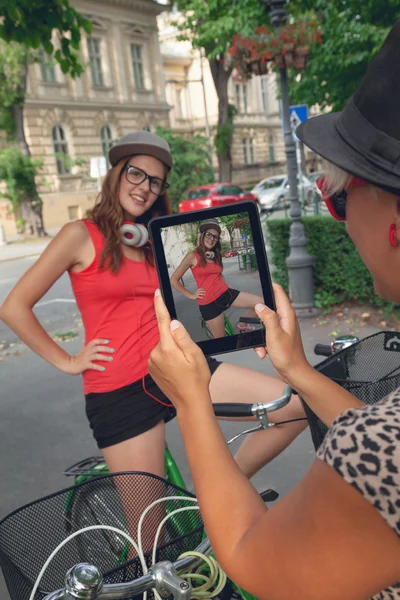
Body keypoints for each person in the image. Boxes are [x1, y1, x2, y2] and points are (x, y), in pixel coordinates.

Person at [148, 21, 400, 599]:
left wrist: (191, 401)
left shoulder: (377, 451)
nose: (337, 210)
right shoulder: (379, 442)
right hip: (206, 304)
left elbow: (250, 559)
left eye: (337, 199)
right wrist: (296, 372)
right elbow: (375, 434)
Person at [0, 130, 306, 482]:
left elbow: (172, 313)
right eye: (136, 173)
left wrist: (245, 338)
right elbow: (14, 307)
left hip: (180, 368)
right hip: (121, 392)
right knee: (150, 535)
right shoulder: (79, 235)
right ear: (117, 174)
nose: (145, 187)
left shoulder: (150, 242)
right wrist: (68, 361)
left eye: (156, 182)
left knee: (292, 409)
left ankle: (221, 496)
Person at [170, 219, 263, 337]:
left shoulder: (215, 255)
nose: (212, 239)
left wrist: (225, 286)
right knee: (223, 341)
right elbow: (173, 280)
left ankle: (243, 324)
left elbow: (218, 273)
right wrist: (191, 295)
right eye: (209, 235)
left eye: (215, 237)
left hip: (226, 294)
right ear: (203, 236)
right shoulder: (192, 256)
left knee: (261, 303)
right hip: (210, 305)